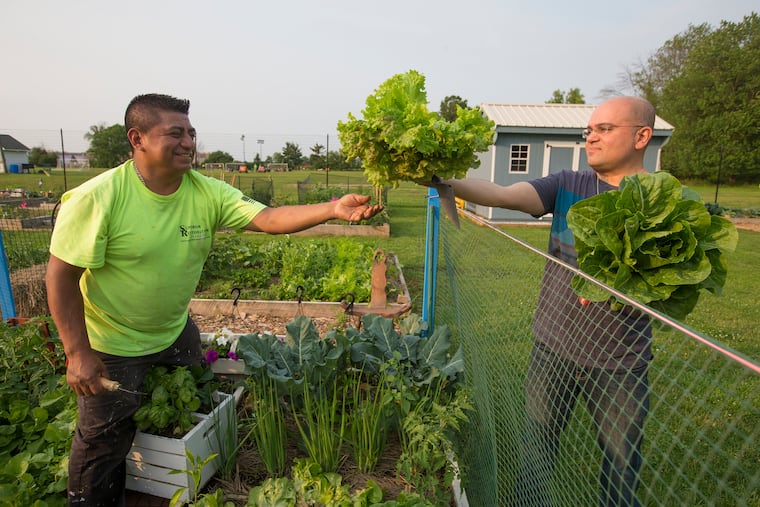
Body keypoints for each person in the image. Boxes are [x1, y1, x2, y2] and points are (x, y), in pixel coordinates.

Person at [45, 93, 383, 507]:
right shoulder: (97, 198)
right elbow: (61, 278)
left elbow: (269, 219)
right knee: (102, 441)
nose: (189, 142)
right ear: (138, 139)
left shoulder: (207, 192)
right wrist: (77, 352)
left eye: (191, 133)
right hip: (112, 342)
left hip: (173, 331)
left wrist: (333, 208)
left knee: (191, 410)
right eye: (175, 133)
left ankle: (175, 488)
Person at [427, 96, 655, 506]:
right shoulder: (569, 184)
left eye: (605, 129)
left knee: (621, 466)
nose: (592, 138)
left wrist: (618, 282)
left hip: (621, 361)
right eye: (590, 130)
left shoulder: (662, 202)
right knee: (536, 448)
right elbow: (503, 193)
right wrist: (446, 182)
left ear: (642, 136)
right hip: (554, 346)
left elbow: (673, 284)